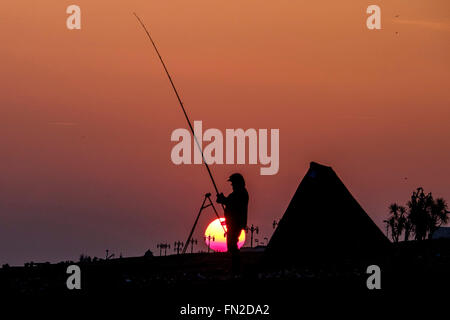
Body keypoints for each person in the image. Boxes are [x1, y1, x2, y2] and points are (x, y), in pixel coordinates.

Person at [216, 173, 249, 274]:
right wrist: (223, 200)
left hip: (236, 224)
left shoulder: (241, 194)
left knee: (232, 245)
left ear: (238, 183)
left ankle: (237, 269)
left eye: (233, 183)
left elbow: (233, 204)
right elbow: (229, 202)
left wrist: (224, 200)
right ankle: (235, 268)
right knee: (231, 246)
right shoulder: (238, 193)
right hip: (233, 223)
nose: (232, 185)